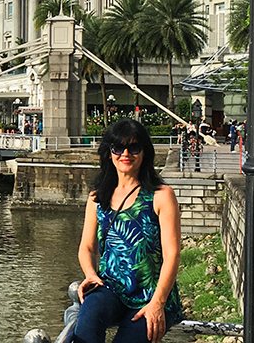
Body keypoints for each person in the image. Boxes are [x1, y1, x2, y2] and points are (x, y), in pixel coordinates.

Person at [69, 119, 184, 343]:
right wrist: (90, 274)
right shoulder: (98, 198)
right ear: (109, 153)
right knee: (88, 315)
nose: (125, 154)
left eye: (134, 147)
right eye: (118, 148)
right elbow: (87, 247)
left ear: (144, 153)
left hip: (152, 293)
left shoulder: (161, 195)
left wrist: (158, 303)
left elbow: (172, 255)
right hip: (111, 288)